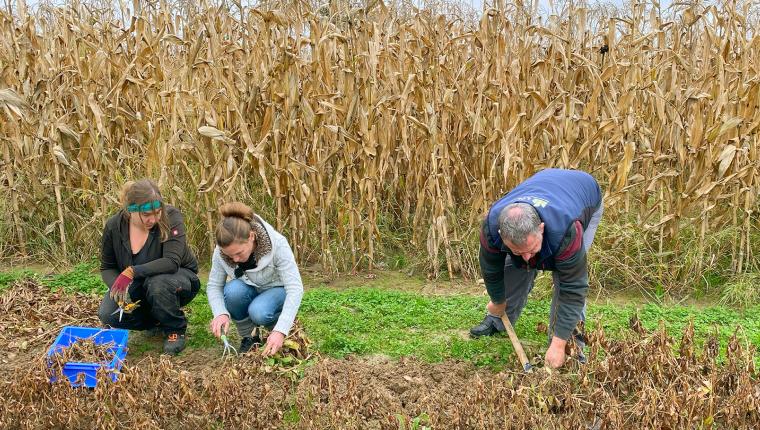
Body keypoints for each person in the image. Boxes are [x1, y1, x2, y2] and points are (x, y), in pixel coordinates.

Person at [470, 168, 603, 368]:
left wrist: (559, 344)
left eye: (531, 249)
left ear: (541, 228)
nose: (526, 257)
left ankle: (570, 346)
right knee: (515, 266)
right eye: (517, 250)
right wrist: (497, 300)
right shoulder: (491, 226)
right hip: (547, 187)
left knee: (564, 277)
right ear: (501, 234)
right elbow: (491, 269)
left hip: (584, 196)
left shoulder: (567, 230)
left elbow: (574, 288)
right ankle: (499, 320)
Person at [98, 179, 200, 355]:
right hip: (140, 283)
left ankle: (174, 329)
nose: (153, 219)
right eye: (147, 215)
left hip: (178, 278)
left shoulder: (171, 217)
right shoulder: (114, 226)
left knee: (157, 284)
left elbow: (171, 261)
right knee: (108, 314)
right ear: (131, 211)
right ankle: (155, 321)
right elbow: (107, 267)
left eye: (157, 213)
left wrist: (131, 271)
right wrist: (119, 287)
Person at [207, 202, 304, 356]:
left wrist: (281, 330)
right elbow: (214, 286)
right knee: (232, 291)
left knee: (259, 311)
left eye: (239, 253)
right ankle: (250, 337)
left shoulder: (278, 244)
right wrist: (220, 312)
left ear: (251, 236)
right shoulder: (221, 252)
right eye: (230, 255)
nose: (235, 259)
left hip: (277, 290)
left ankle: (279, 328)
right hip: (250, 288)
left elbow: (295, 288)